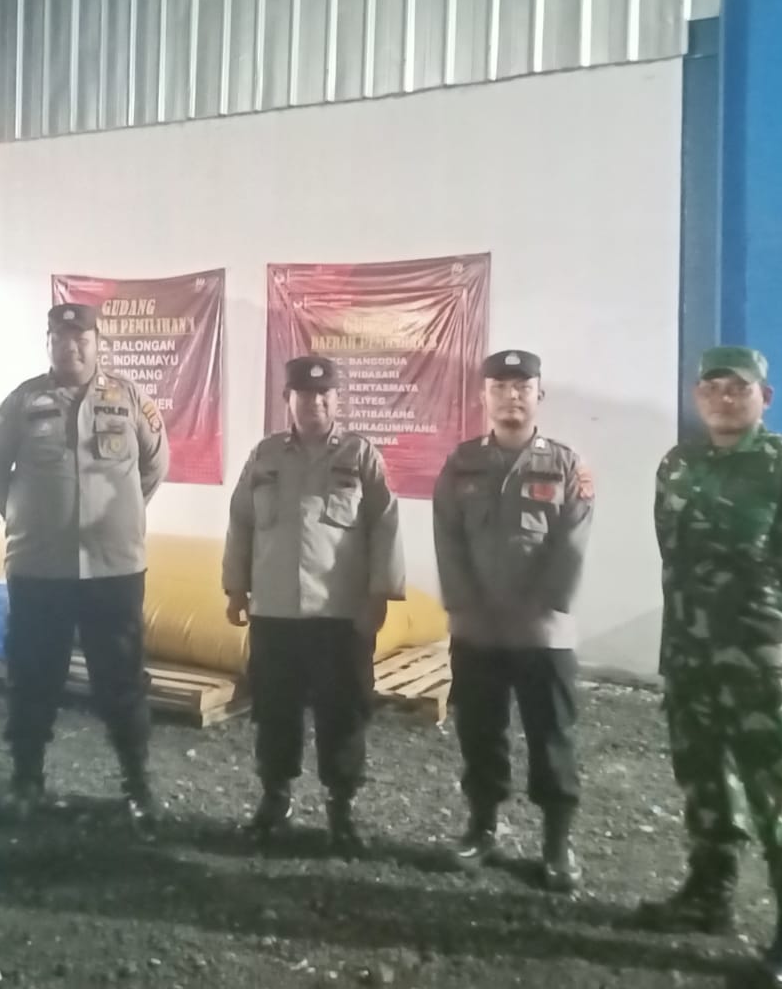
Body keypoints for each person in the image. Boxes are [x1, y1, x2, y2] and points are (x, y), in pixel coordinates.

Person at [637, 346, 782, 988]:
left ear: (765, 396)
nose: (724, 398)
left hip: (763, 661)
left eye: (738, 387)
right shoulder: (678, 464)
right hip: (690, 650)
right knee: (702, 781)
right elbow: (672, 549)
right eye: (713, 387)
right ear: (697, 396)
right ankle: (708, 896)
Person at [0, 302, 170, 830]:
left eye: (82, 339)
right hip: (40, 568)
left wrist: (122, 515)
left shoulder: (129, 399)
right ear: (49, 343)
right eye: (61, 339)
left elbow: (155, 464)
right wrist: (31, 518)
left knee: (122, 678)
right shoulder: (22, 402)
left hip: (114, 567)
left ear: (97, 342)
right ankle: (26, 779)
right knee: (32, 675)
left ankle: (136, 784)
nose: (72, 348)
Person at [221, 355, 405, 856]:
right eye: (304, 394)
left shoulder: (360, 456)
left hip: (339, 615)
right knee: (273, 710)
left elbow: (386, 526)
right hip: (275, 613)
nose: (315, 403)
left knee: (342, 714)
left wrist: (379, 596)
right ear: (289, 400)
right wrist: (235, 588)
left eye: (324, 394)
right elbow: (240, 522)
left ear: (338, 399)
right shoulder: (264, 457)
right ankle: (274, 800)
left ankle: (342, 810)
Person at [431, 349, 593, 893]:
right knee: (480, 731)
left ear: (538, 396)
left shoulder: (565, 465)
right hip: (478, 629)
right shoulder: (462, 463)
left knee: (552, 735)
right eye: (500, 387)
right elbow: (448, 537)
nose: (511, 397)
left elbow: (572, 542)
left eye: (522, 387)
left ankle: (557, 843)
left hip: (541, 631)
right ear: (484, 397)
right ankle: (482, 827)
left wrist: (543, 605)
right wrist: (463, 603)